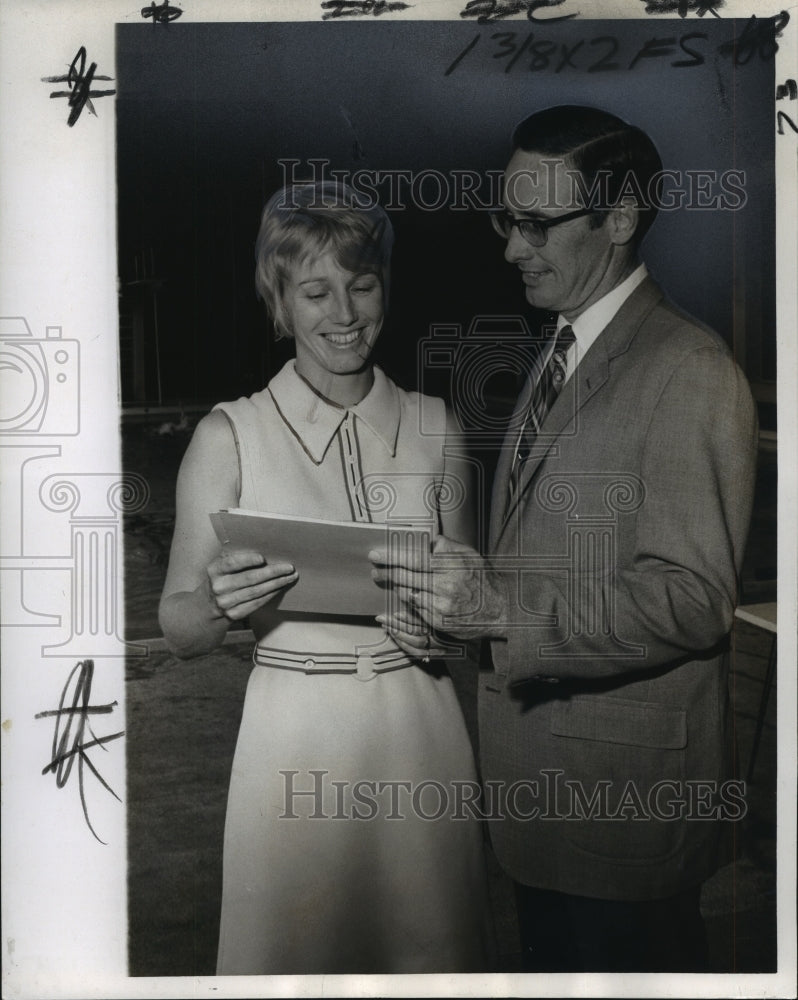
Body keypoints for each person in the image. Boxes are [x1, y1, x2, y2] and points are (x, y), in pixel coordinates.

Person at [370, 105, 759, 972]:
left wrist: (500, 607)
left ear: (619, 219)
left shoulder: (688, 369)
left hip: (623, 816)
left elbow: (694, 600)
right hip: (543, 803)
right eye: (506, 219)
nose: (511, 248)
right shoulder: (564, 344)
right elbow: (539, 559)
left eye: (537, 224)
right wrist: (460, 623)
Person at [158, 181, 489, 975]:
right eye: (315, 290)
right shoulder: (227, 434)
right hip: (292, 735)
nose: (343, 311)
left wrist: (447, 629)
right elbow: (178, 629)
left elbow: (480, 616)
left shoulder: (437, 425)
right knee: (292, 958)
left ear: (386, 290)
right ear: (280, 302)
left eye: (362, 284)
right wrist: (214, 603)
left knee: (432, 957)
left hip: (420, 730)